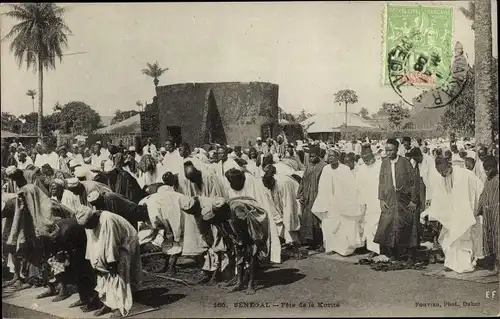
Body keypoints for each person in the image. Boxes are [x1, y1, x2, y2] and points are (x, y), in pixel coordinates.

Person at [181, 196, 271, 295]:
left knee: (251, 257)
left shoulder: (237, 209)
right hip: (238, 234)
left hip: (251, 232)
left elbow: (246, 227)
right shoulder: (220, 216)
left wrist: (242, 242)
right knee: (239, 257)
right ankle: (239, 282)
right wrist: (236, 241)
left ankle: (251, 283)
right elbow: (226, 229)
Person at [75, 206, 142, 318]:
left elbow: (112, 243)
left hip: (125, 244)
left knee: (118, 275)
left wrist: (112, 262)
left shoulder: (107, 220)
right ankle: (108, 303)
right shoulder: (90, 225)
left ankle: (119, 307)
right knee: (102, 273)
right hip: (113, 246)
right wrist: (94, 263)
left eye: (88, 225)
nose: (88, 228)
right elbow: (92, 244)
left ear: (93, 218)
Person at [423, 156, 484, 273]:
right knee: (449, 237)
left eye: (444, 171)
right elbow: (440, 196)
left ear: (449, 166)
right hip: (453, 213)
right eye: (440, 172)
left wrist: (471, 210)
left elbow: (475, 192)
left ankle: (466, 264)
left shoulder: (463, 175)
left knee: (464, 236)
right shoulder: (443, 177)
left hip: (466, 211)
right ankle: (451, 263)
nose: (442, 174)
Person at [312, 149, 363, 256]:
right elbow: (322, 187)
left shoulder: (344, 169)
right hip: (329, 203)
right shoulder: (326, 169)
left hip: (343, 203)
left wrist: (347, 202)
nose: (330, 158)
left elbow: (350, 188)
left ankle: (344, 249)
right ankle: (331, 248)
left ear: (337, 157)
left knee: (343, 226)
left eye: (332, 156)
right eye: (328, 156)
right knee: (329, 225)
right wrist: (323, 202)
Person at [375, 138, 420, 263]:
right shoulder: (384, 163)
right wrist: (381, 199)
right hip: (390, 200)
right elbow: (382, 182)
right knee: (389, 226)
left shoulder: (405, 162)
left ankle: (410, 255)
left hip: (404, 199)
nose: (388, 153)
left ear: (397, 149)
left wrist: (414, 200)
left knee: (407, 225)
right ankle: (393, 254)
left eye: (391, 150)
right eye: (386, 150)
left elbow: (413, 182)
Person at [262, 164, 302, 257]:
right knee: (280, 221)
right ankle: (288, 242)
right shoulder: (268, 184)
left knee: (290, 221)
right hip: (282, 204)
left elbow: (288, 205)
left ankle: (293, 245)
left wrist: (287, 222)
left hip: (293, 201)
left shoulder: (283, 183)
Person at [297, 145, 327, 249]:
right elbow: (303, 180)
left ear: (318, 155)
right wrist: (300, 194)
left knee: (318, 220)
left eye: (313, 156)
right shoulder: (309, 166)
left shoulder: (324, 167)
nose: (311, 158)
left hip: (318, 197)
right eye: (309, 156)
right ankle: (310, 242)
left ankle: (320, 243)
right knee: (307, 219)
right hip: (307, 197)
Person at [355, 145, 383, 256]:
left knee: (378, 224)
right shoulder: (361, 169)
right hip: (366, 201)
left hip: (378, 200)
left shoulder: (380, 166)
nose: (366, 159)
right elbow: (357, 186)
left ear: (372, 154)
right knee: (368, 225)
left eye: (368, 156)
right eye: (364, 157)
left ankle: (380, 249)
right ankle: (372, 249)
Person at [475, 156, 499, 272]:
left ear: (495, 167)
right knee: (489, 237)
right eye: (485, 169)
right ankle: (492, 261)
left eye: (489, 169)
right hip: (488, 214)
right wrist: (478, 209)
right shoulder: (487, 180)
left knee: (497, 236)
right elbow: (483, 195)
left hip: (497, 214)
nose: (487, 171)